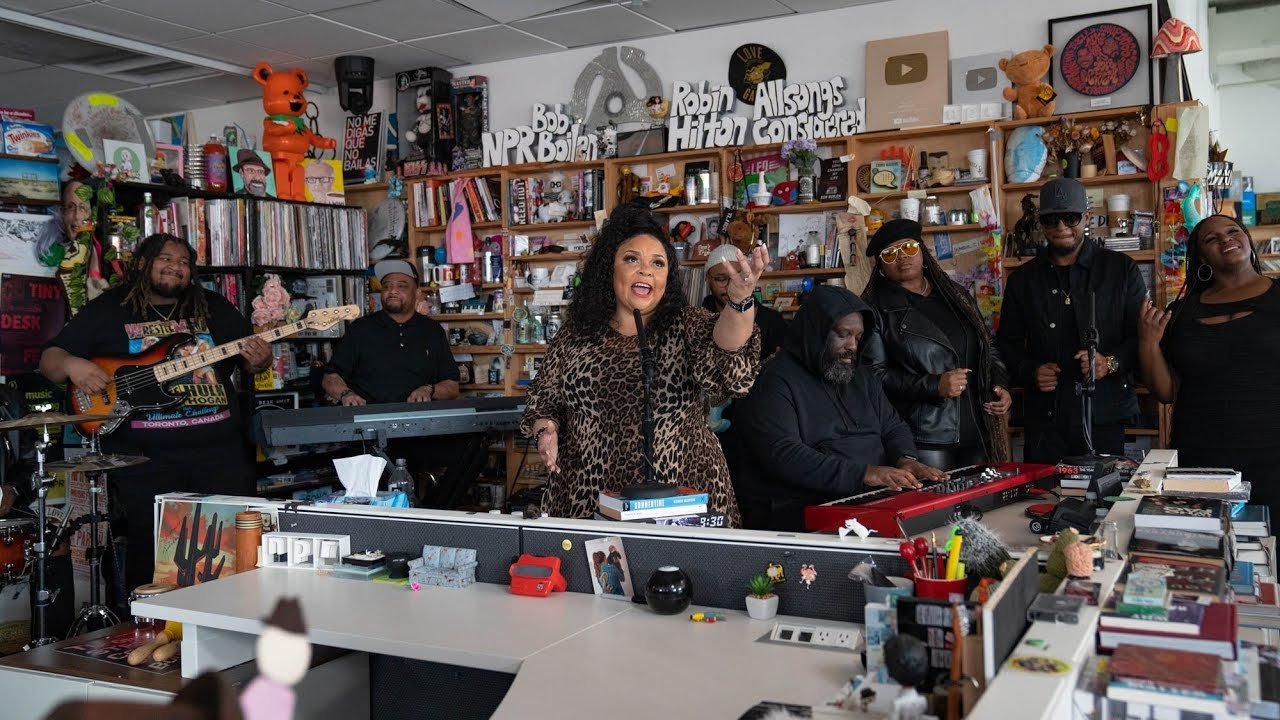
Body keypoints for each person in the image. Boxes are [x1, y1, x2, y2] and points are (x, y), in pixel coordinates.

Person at [39, 233, 271, 596]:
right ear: (144, 263)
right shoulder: (109, 309)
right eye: (166, 259)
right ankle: (148, 632)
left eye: (183, 263)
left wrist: (262, 359)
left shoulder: (212, 307)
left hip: (221, 458)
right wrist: (71, 364)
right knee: (153, 560)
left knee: (232, 553)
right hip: (147, 462)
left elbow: (252, 360)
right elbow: (49, 360)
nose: (175, 268)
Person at [521, 205, 766, 526]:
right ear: (609, 268)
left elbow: (729, 349)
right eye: (632, 259)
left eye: (658, 263)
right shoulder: (575, 334)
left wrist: (739, 300)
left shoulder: (686, 324)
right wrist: (546, 430)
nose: (645, 270)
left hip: (680, 497)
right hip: (586, 497)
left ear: (667, 277)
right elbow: (543, 402)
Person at [733, 285, 947, 531]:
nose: (852, 346)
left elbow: (892, 426)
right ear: (816, 332)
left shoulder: (860, 376)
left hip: (866, 499)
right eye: (843, 334)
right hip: (800, 510)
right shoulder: (773, 380)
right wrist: (865, 474)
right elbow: (784, 455)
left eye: (857, 337)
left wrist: (905, 460)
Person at [996, 177, 1146, 462]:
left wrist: (1109, 363)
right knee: (1040, 501)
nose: (1061, 227)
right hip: (1046, 418)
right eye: (1052, 219)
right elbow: (1007, 343)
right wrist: (1030, 370)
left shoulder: (1121, 271)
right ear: (1041, 222)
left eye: (1070, 217)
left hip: (1104, 413)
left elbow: (1140, 337)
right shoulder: (1023, 280)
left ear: (1086, 218)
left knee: (1103, 499)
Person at [1139, 215, 1280, 515]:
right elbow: (1165, 392)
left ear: (1247, 240)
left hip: (1272, 452)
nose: (1225, 239)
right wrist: (1148, 343)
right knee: (1203, 545)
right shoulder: (1183, 311)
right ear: (1202, 256)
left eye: (1233, 231)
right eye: (1211, 238)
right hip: (1200, 455)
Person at [860, 219, 1011, 469]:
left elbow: (988, 346)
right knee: (933, 506)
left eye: (908, 248)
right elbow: (873, 377)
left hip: (978, 427)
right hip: (925, 437)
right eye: (890, 254)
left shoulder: (955, 294)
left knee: (983, 505)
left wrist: (1000, 385)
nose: (902, 258)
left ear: (921, 250)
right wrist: (933, 385)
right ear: (880, 266)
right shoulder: (875, 309)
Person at [321, 259, 459, 406]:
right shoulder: (360, 329)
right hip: (368, 418)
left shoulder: (432, 331)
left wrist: (429, 390)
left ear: (417, 293)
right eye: (387, 286)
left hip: (420, 419)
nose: (392, 291)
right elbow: (330, 377)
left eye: (402, 286)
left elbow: (452, 386)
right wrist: (346, 394)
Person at [703, 243, 787, 362]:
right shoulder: (695, 321)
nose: (731, 287)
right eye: (721, 279)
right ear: (707, 279)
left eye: (738, 277)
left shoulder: (773, 322)